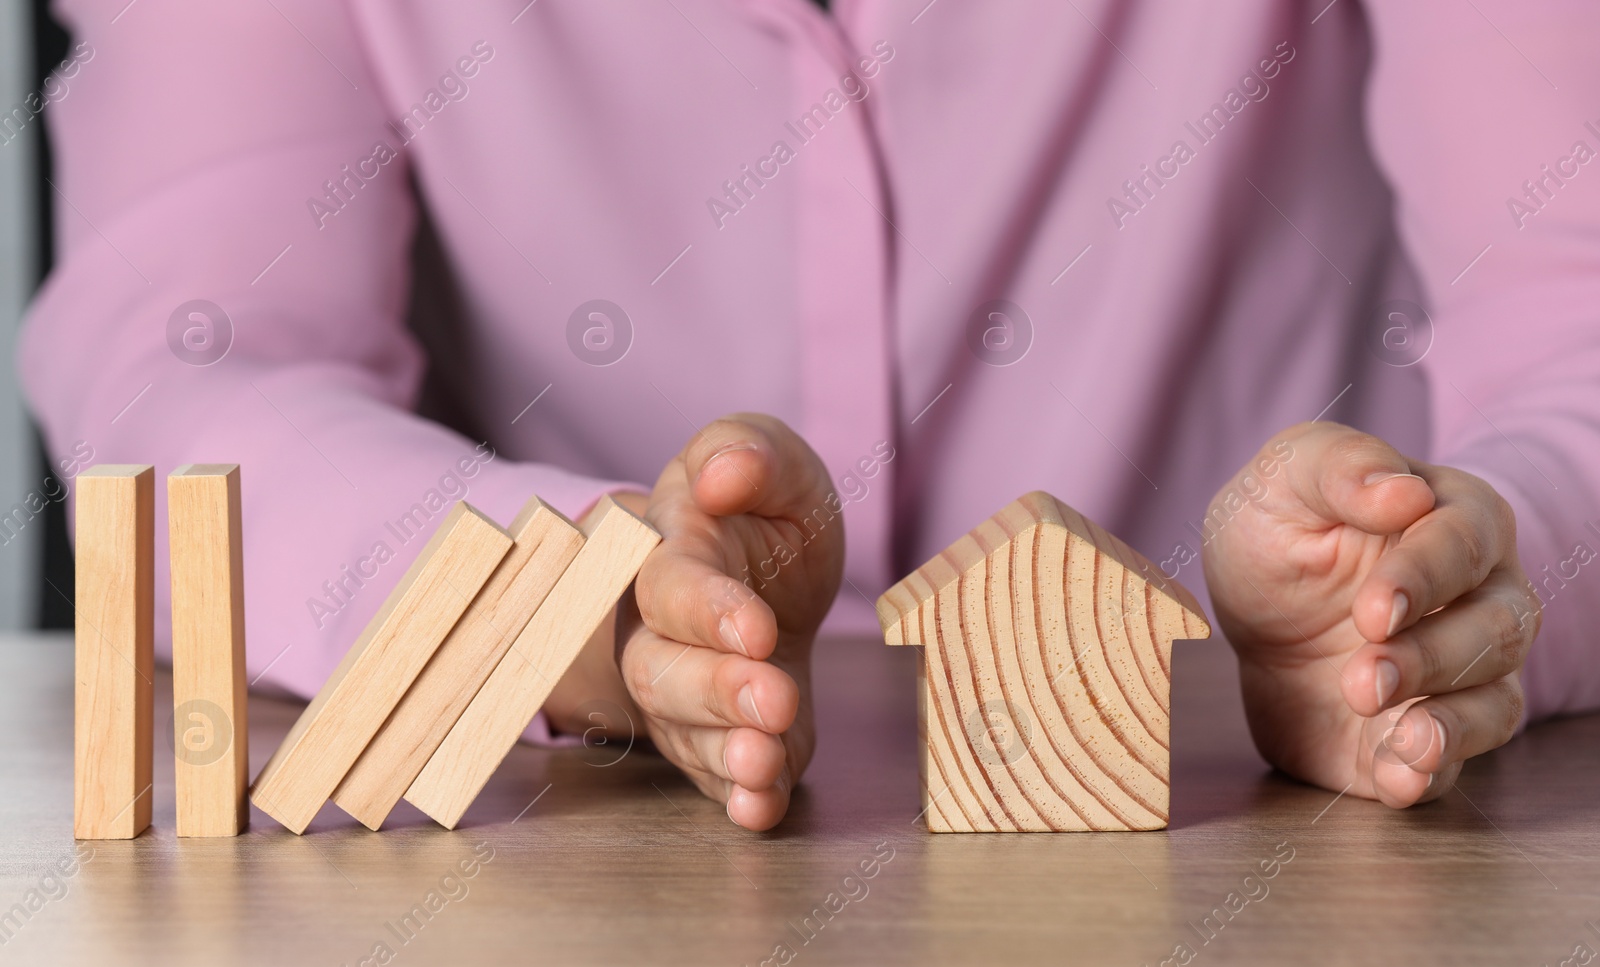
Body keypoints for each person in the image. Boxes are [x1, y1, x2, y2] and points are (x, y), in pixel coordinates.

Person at [22, 1, 1592, 831]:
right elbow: (183, 376)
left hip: (1270, 864)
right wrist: (557, 594)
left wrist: (1465, 569)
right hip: (601, 884)